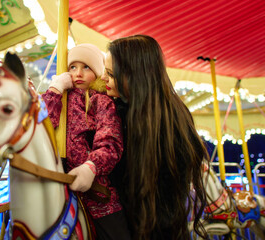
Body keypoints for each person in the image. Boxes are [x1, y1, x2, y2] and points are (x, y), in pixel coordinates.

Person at [101, 35, 209, 240]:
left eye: (110, 74)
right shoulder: (126, 110)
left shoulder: (161, 125)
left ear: (134, 77)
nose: (103, 78)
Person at [42, 43, 131, 239]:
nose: (78, 73)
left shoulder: (102, 101)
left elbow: (110, 142)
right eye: (72, 67)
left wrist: (91, 167)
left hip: (96, 190)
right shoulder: (60, 98)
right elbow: (42, 126)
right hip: (59, 188)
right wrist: (54, 91)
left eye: (86, 67)